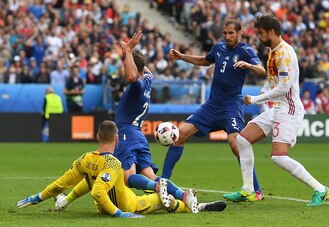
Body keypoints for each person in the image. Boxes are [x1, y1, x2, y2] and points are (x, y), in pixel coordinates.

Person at [223, 15, 329, 207]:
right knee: (242, 140)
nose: (258, 37)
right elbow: (273, 81)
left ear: (271, 32)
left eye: (261, 33)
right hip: (278, 108)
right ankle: (248, 191)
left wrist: (257, 98)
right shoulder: (273, 51)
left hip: (289, 109)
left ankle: (320, 189)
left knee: (279, 157)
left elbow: (284, 87)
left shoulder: (285, 53)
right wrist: (262, 93)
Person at [162, 19, 266, 200]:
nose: (227, 37)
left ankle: (254, 190)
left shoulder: (245, 51)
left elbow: (261, 70)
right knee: (180, 135)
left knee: (236, 143)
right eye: (225, 33)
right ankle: (162, 182)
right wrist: (182, 56)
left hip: (231, 106)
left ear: (239, 33)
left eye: (231, 33)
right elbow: (204, 60)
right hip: (211, 105)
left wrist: (248, 65)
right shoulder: (218, 48)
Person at [17, 120, 192, 218]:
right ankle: (189, 205)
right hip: (131, 206)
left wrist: (37, 197)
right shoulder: (114, 164)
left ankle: (64, 201)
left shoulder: (84, 159)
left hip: (102, 207)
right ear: (117, 139)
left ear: (98, 136)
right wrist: (120, 214)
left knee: (91, 179)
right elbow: (98, 192)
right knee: (164, 199)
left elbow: (61, 183)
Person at [112, 31, 199, 213]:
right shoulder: (148, 80)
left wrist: (128, 50)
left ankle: (159, 189)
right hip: (139, 135)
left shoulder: (136, 86)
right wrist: (128, 54)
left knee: (129, 178)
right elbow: (143, 69)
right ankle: (183, 195)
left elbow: (130, 76)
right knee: (151, 176)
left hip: (127, 133)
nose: (124, 68)